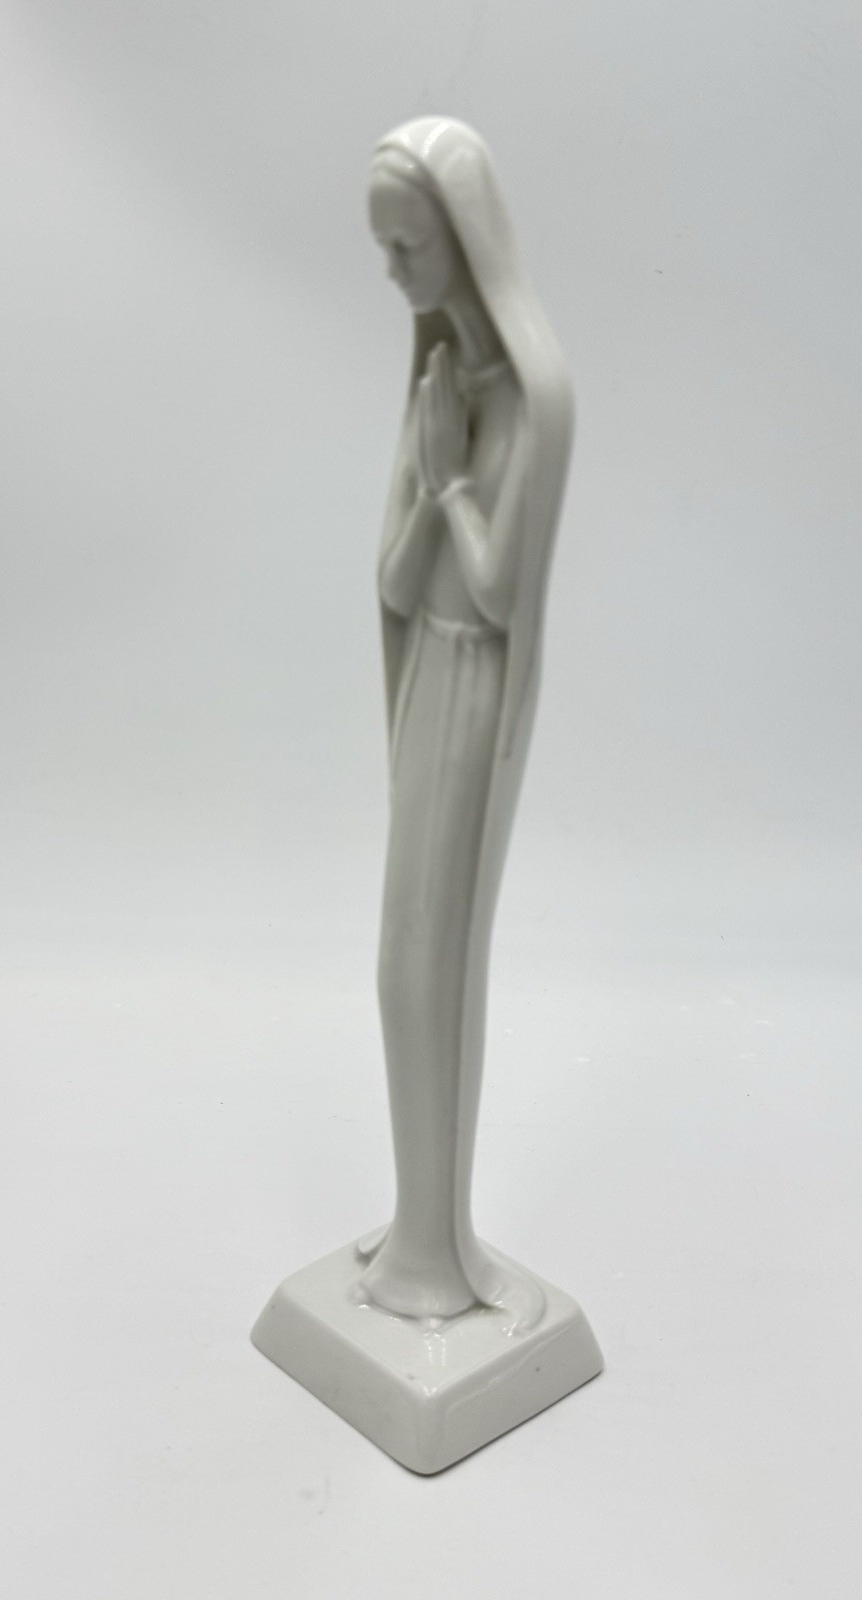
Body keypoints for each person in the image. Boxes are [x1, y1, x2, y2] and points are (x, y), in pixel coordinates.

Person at [356, 117, 574, 1325]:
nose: (392, 273)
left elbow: (497, 595)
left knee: (441, 959)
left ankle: (439, 1250)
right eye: (384, 250)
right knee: (398, 967)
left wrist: (446, 480)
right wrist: (427, 481)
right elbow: (393, 582)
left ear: (463, 238)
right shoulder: (433, 382)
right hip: (426, 680)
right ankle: (414, 1224)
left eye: (408, 248)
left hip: (473, 691)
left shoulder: (532, 402)